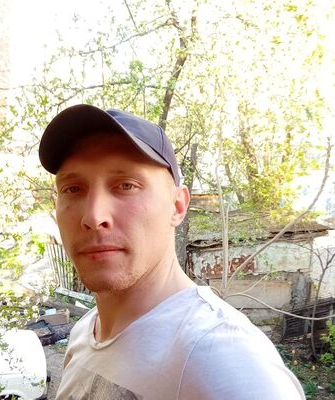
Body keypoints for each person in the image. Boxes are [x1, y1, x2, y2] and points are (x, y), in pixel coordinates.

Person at [39, 104, 305, 400]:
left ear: (177, 206)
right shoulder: (83, 334)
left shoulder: (223, 358)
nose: (93, 216)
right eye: (73, 189)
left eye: (126, 185)